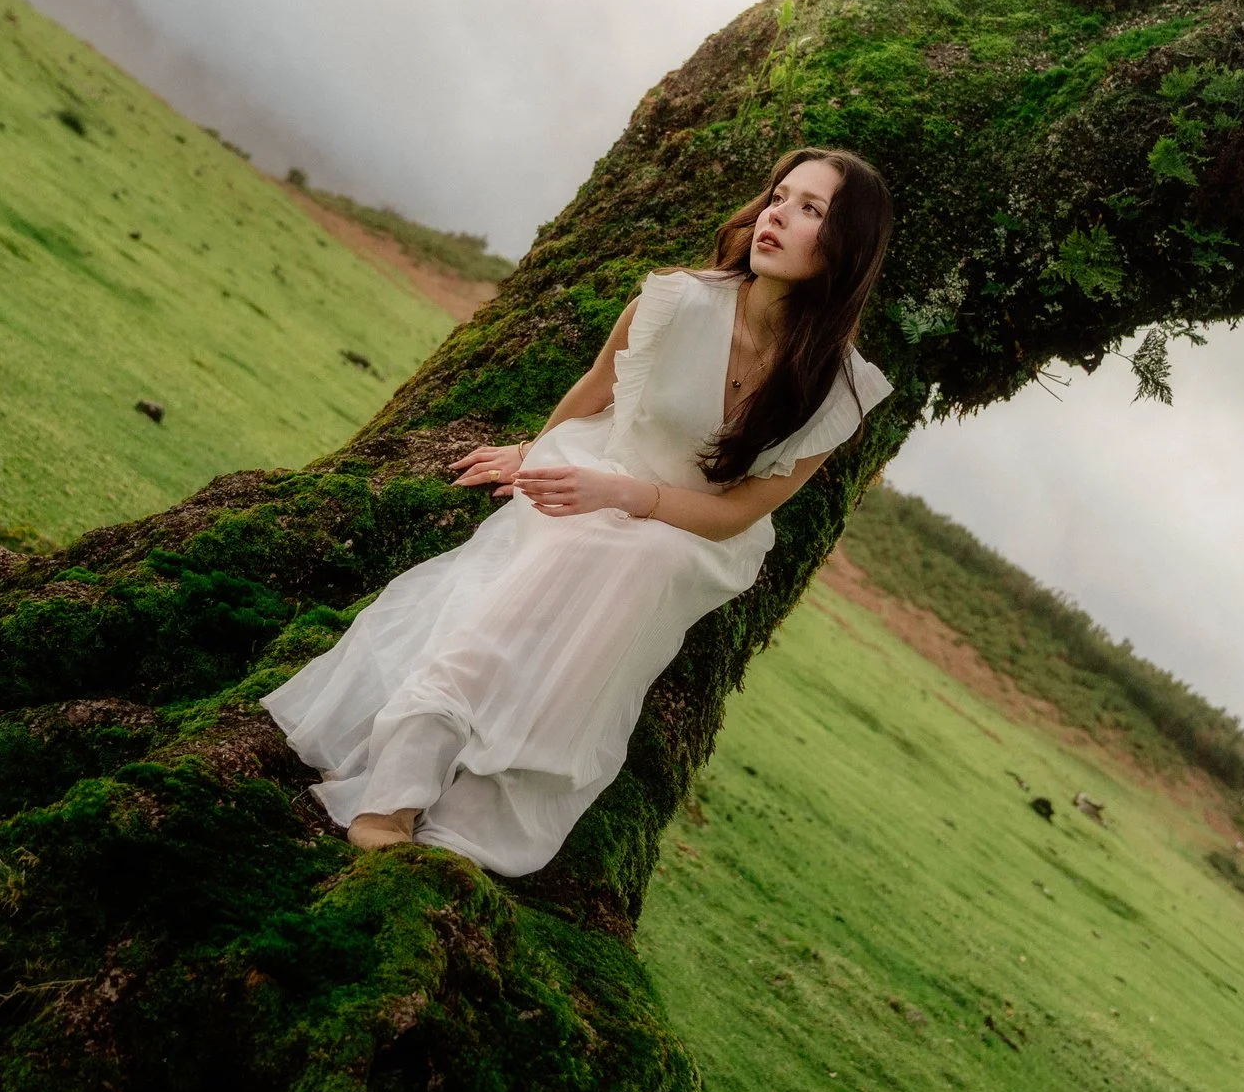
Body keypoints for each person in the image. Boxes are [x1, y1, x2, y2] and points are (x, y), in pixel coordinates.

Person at [260, 147, 895, 876]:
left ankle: (492, 799)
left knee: (645, 554)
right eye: (778, 196)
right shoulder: (678, 300)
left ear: (845, 247)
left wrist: (633, 500)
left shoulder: (840, 390)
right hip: (608, 464)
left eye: (810, 209)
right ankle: (407, 764)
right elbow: (598, 386)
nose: (778, 215)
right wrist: (535, 449)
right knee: (583, 538)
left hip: (695, 531)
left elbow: (743, 511)